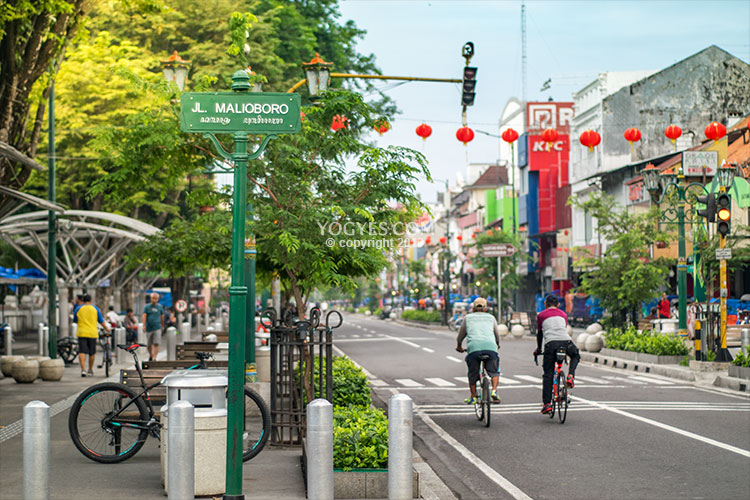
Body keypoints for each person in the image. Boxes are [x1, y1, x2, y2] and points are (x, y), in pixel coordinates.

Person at [534, 294, 580, 415]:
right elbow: (562, 329)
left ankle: (547, 404)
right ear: (558, 305)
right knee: (575, 355)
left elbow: (539, 334)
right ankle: (570, 376)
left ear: (545, 304)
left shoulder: (541, 315)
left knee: (548, 374)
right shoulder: (563, 314)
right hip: (566, 342)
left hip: (551, 344)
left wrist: (539, 349)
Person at [455, 297, 502, 404]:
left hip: (473, 348)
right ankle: (494, 391)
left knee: (472, 374)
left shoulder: (468, 318)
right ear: (485, 308)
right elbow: (497, 335)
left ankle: (473, 397)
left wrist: (459, 346)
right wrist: (497, 345)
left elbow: (461, 335)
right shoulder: (491, 317)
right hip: (491, 347)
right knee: (494, 372)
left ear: (473, 308)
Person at [73, 294, 110, 377]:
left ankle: (83, 370)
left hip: (82, 332)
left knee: (82, 351)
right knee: (91, 352)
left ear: (83, 300)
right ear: (90, 300)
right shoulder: (95, 309)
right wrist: (107, 328)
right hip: (92, 333)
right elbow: (101, 321)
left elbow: (75, 320)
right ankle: (90, 369)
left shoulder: (78, 308)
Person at [142, 293, 164, 361]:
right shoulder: (147, 307)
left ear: (158, 299)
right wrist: (144, 325)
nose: (154, 300)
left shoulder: (160, 307)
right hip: (149, 328)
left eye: (155, 298)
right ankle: (151, 355)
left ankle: (154, 357)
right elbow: (144, 316)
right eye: (153, 298)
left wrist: (162, 326)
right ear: (150, 299)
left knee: (156, 343)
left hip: (157, 327)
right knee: (149, 344)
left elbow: (162, 316)